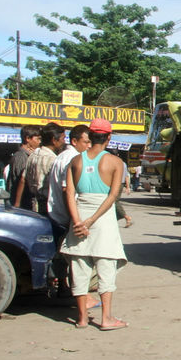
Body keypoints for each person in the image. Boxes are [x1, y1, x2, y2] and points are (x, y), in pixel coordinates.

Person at [60, 119, 128, 330]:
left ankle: (81, 318)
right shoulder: (115, 162)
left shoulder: (75, 161)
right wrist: (91, 220)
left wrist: (79, 221)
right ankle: (106, 318)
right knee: (106, 266)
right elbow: (112, 196)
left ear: (90, 135)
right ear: (109, 137)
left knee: (79, 267)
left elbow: (70, 193)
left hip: (79, 215)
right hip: (102, 219)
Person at [47, 124, 95, 302]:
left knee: (64, 257)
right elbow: (68, 191)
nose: (89, 146)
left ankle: (65, 289)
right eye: (86, 142)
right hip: (67, 216)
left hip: (57, 214)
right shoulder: (74, 158)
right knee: (77, 259)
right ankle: (81, 297)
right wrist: (75, 221)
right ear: (74, 141)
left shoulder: (62, 156)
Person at [18, 122, 67, 214]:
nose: (64, 142)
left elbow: (23, 179)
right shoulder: (53, 160)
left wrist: (17, 205)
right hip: (49, 206)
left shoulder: (33, 155)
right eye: (63, 138)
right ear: (54, 140)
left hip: (33, 203)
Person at [7, 124, 41, 209]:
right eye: (38, 139)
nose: (39, 142)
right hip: (21, 204)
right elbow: (21, 181)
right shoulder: (21, 157)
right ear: (28, 139)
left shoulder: (29, 156)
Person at [113, 158, 133, 228]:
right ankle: (115, 219)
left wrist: (127, 187)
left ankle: (126, 217)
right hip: (121, 184)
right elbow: (126, 176)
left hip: (115, 184)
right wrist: (127, 187)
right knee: (114, 201)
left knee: (114, 201)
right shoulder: (124, 163)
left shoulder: (113, 161)